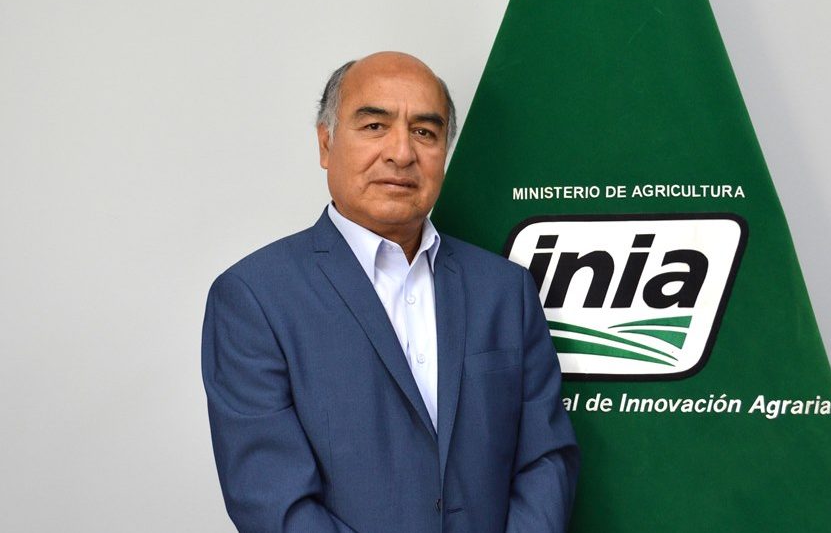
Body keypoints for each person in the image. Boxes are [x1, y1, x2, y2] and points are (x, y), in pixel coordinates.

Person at [201, 51, 579, 532]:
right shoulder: (254, 298)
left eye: (425, 132)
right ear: (325, 143)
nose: (402, 153)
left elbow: (545, 459)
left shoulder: (506, 291)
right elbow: (274, 502)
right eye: (375, 126)